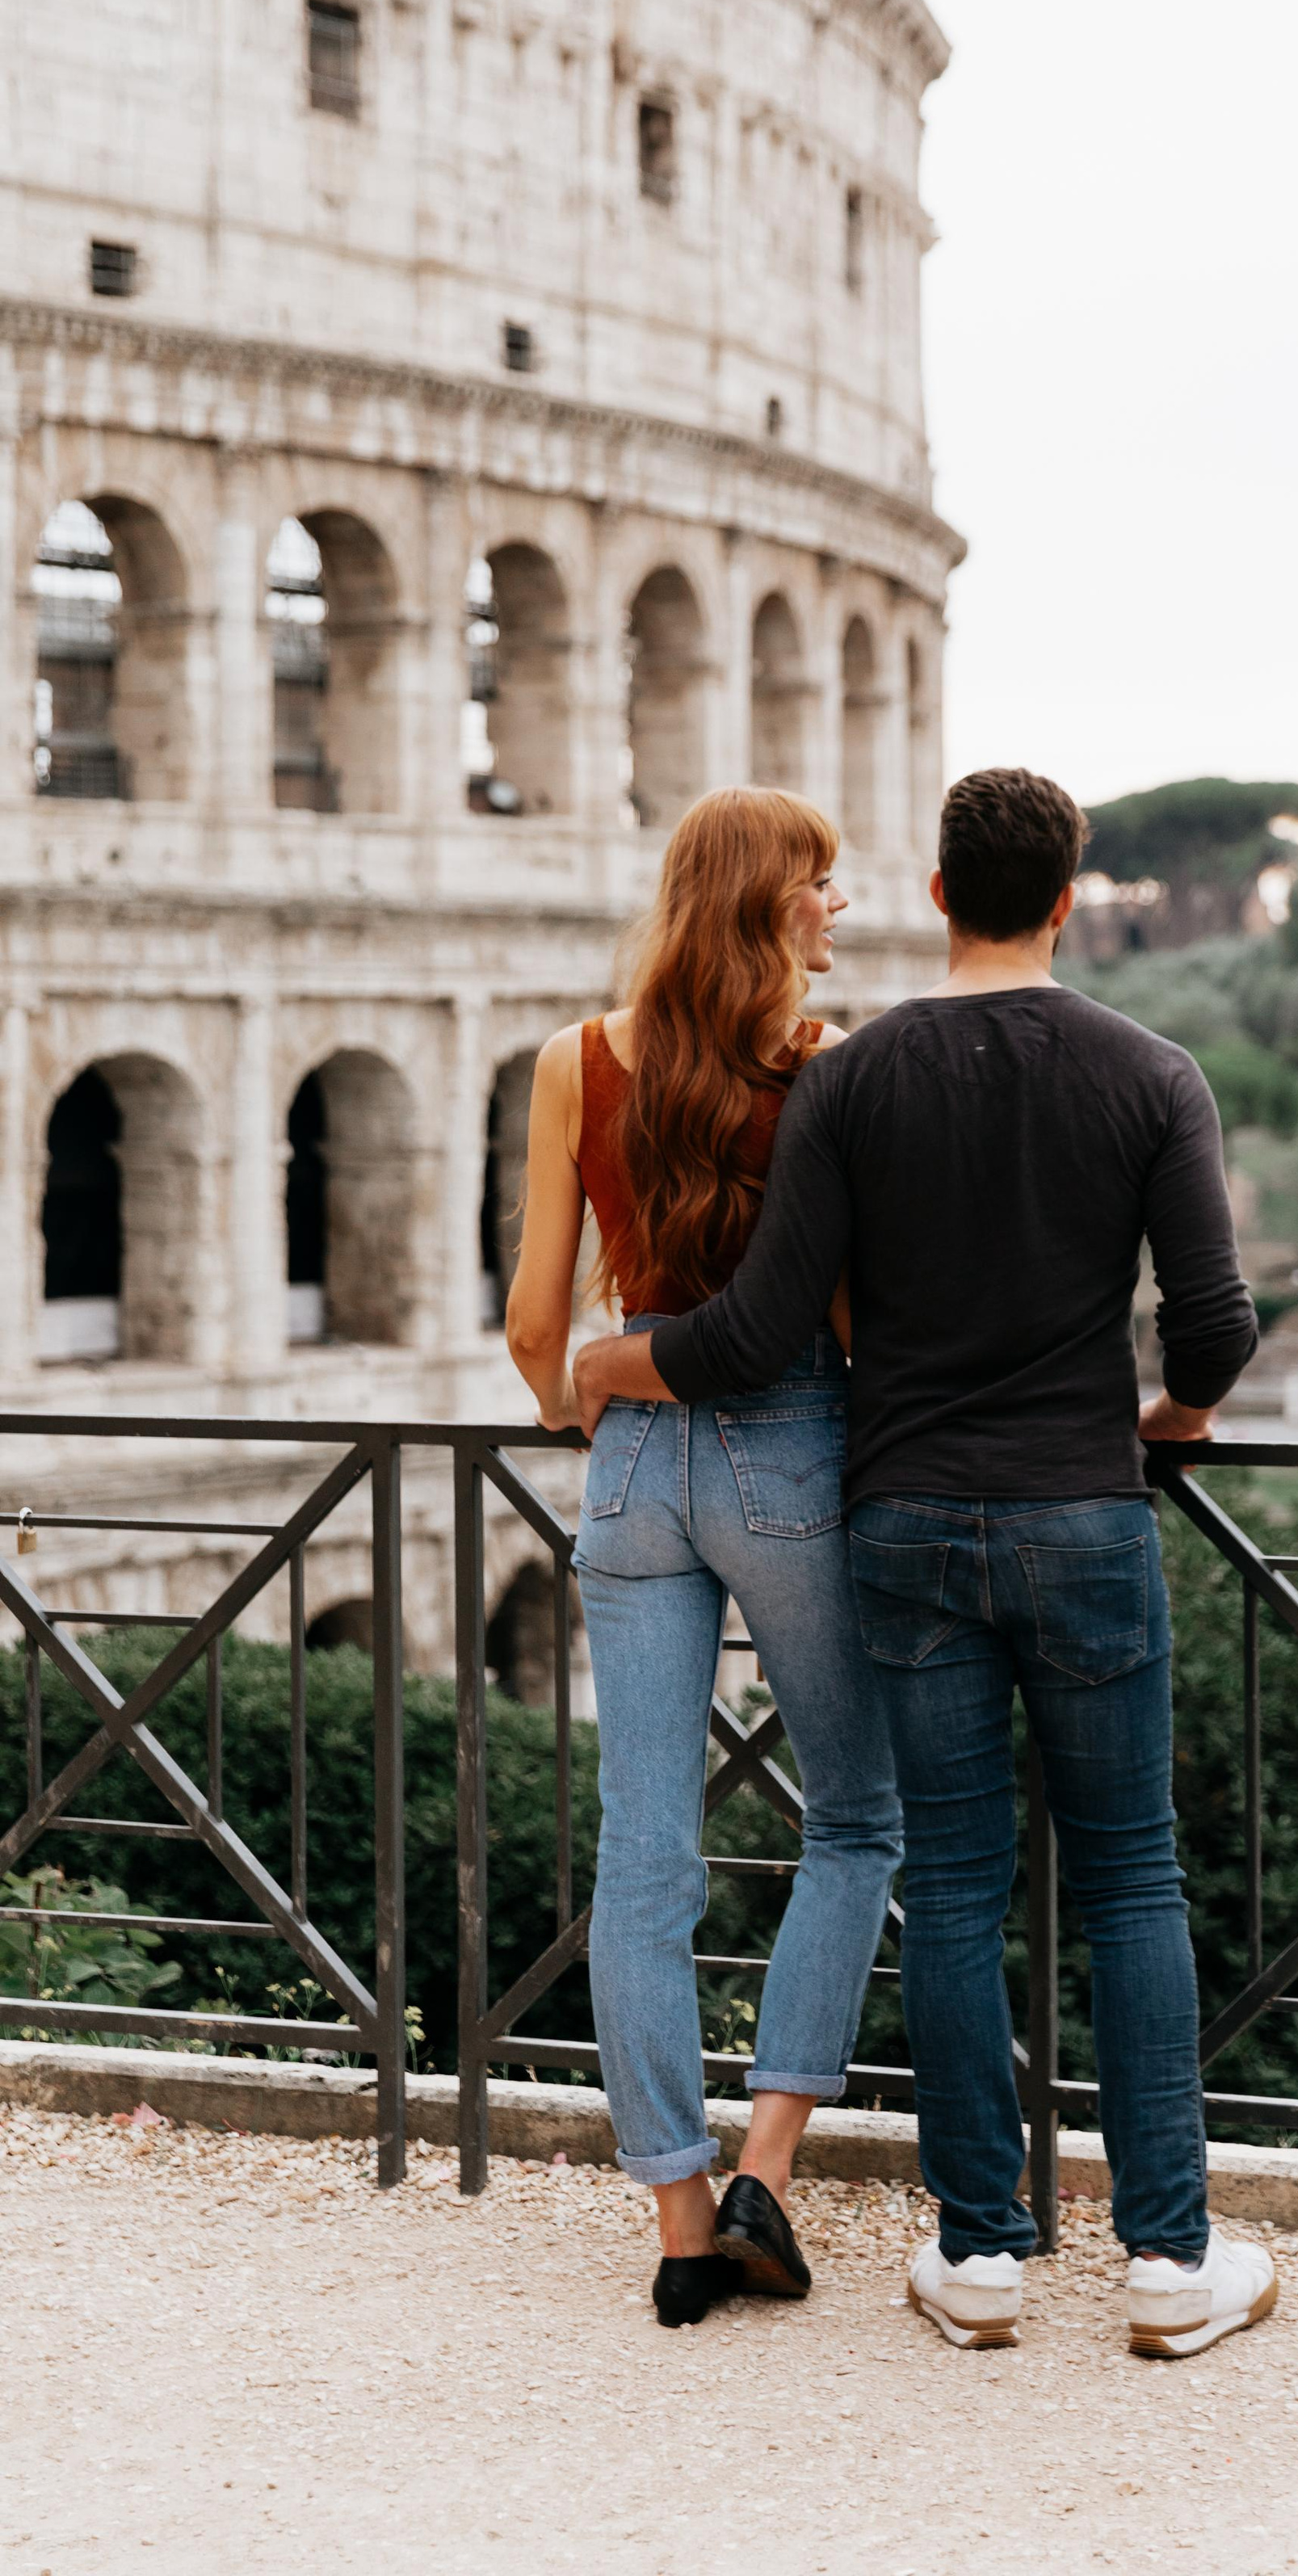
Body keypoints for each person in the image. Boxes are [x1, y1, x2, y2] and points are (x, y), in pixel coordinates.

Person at [573, 766, 1275, 2360]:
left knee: (951, 1887)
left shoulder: (850, 1080)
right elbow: (1216, 1325)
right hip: (1085, 1517)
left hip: (898, 1527)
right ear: (1068, 899)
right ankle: (1167, 2265)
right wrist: (1170, 1417)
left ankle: (977, 2258)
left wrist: (616, 1367)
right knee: (1129, 1881)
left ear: (942, 897)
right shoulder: (1153, 1072)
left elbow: (756, 1332)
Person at [506, 785, 901, 2329]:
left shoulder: (574, 1061)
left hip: (630, 1464)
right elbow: (857, 1319)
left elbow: (542, 1318)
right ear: (764, 908)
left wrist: (568, 1408)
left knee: (645, 1856)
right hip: (789, 1439)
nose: (837, 910)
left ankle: (678, 2218)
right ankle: (768, 2178)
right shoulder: (825, 1074)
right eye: (819, 887)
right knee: (857, 1817)